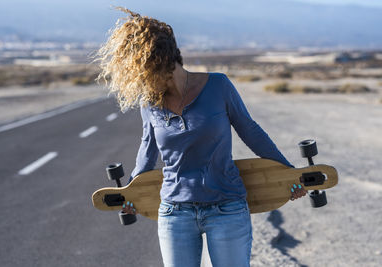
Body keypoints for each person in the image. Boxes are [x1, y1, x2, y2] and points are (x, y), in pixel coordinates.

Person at [93, 7, 307, 267]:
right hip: (174, 213)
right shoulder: (149, 102)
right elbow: (147, 151)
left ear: (161, 61)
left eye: (143, 72)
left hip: (227, 208)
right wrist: (131, 191)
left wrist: (288, 173)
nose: (141, 81)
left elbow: (251, 132)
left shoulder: (219, 86)